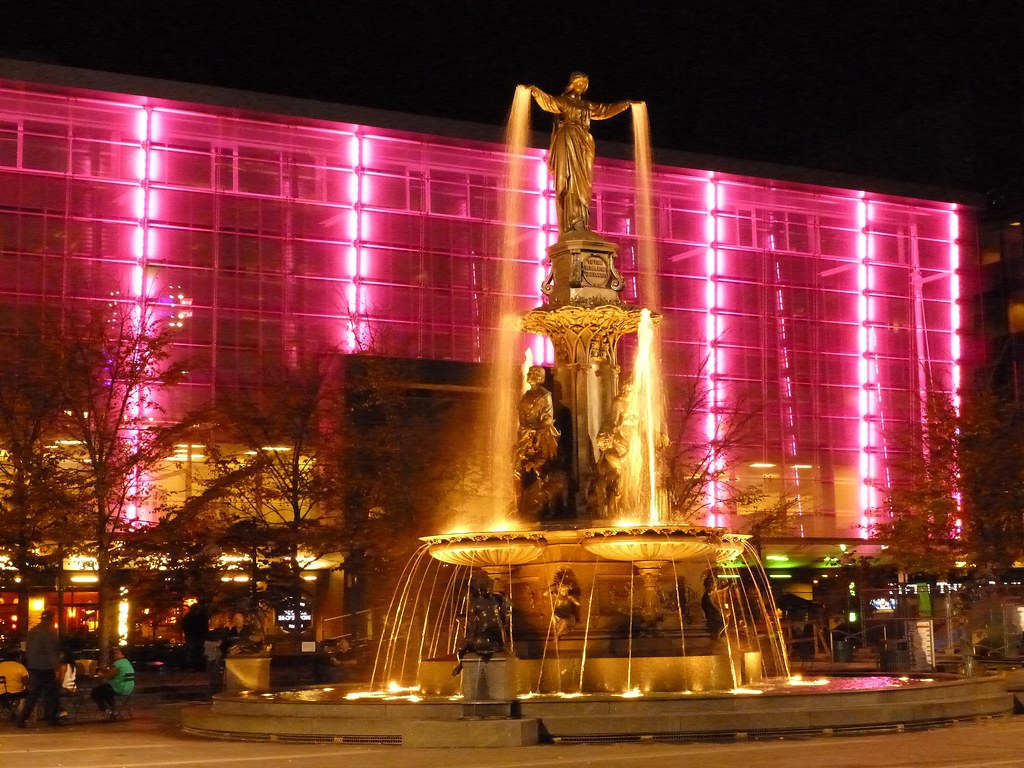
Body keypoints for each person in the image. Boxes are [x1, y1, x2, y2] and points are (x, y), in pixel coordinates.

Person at [524, 73, 632, 234]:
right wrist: (535, 91)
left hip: (584, 142)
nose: (581, 86)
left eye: (584, 84)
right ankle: (570, 223)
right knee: (567, 180)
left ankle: (582, 221)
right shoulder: (563, 101)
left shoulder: (587, 106)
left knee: (584, 183)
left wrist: (625, 104)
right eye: (579, 83)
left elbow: (604, 110)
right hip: (567, 139)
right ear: (572, 84)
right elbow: (549, 102)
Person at [15, 609, 60, 727]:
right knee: (51, 694)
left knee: (33, 694)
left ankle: (22, 718)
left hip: (34, 666)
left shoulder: (32, 631)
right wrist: (56, 667)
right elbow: (51, 651)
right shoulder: (50, 632)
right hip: (46, 667)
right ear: (51, 619)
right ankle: (52, 718)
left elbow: (28, 649)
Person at [90, 647, 134, 720]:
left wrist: (101, 674)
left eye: (117, 653)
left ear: (123, 655)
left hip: (118, 687)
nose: (115, 655)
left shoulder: (117, 663)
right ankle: (114, 711)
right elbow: (113, 672)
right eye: (115, 653)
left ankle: (106, 710)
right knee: (106, 691)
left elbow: (109, 676)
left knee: (95, 692)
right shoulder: (127, 662)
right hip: (128, 688)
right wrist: (106, 670)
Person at [0, 649, 28, 719]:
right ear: (17, 658)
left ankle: (7, 708)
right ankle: (17, 711)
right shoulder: (20, 667)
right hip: (16, 692)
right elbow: (26, 681)